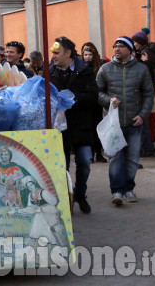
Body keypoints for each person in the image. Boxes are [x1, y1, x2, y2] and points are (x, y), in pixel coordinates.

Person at [96, 36, 154, 206]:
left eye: (121, 46)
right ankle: (117, 191)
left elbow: (149, 94)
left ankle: (129, 189)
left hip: (134, 121)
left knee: (132, 158)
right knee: (115, 158)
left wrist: (142, 115)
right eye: (115, 46)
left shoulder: (141, 70)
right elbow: (97, 92)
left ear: (130, 50)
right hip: (113, 123)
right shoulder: (105, 69)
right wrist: (109, 100)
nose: (117, 49)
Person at [49, 37, 98, 214]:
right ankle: (66, 198)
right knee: (62, 165)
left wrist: (73, 99)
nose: (53, 56)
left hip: (81, 124)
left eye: (57, 52)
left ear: (68, 53)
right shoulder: (49, 72)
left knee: (84, 161)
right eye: (53, 52)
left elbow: (93, 96)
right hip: (59, 128)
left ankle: (80, 193)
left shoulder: (84, 71)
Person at [82, 42, 107, 163]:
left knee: (98, 128)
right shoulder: (80, 69)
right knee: (88, 129)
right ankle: (90, 153)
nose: (87, 57)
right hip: (86, 104)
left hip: (97, 104)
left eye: (89, 54)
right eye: (85, 55)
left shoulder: (99, 68)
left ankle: (99, 152)